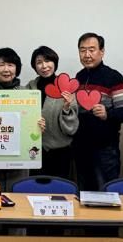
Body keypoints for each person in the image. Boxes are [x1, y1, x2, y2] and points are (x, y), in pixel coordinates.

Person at [74, 33, 123, 190]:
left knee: (105, 192)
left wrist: (107, 114)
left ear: (102, 51)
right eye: (82, 50)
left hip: (105, 149)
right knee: (83, 192)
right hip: (80, 146)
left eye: (91, 50)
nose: (87, 55)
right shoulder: (79, 77)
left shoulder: (114, 77)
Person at [26, 46, 78, 179]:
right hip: (34, 150)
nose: (44, 66)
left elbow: (72, 129)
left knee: (60, 189)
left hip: (61, 152)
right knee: (35, 188)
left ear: (55, 62)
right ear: (34, 66)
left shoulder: (66, 87)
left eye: (48, 61)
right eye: (39, 62)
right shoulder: (29, 88)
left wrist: (66, 108)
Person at [0, 47, 29, 190]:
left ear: (17, 68)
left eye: (10, 65)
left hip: (20, 158)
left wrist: (38, 124)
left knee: (19, 197)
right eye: (1, 65)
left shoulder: (27, 94)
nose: (6, 69)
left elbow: (31, 124)